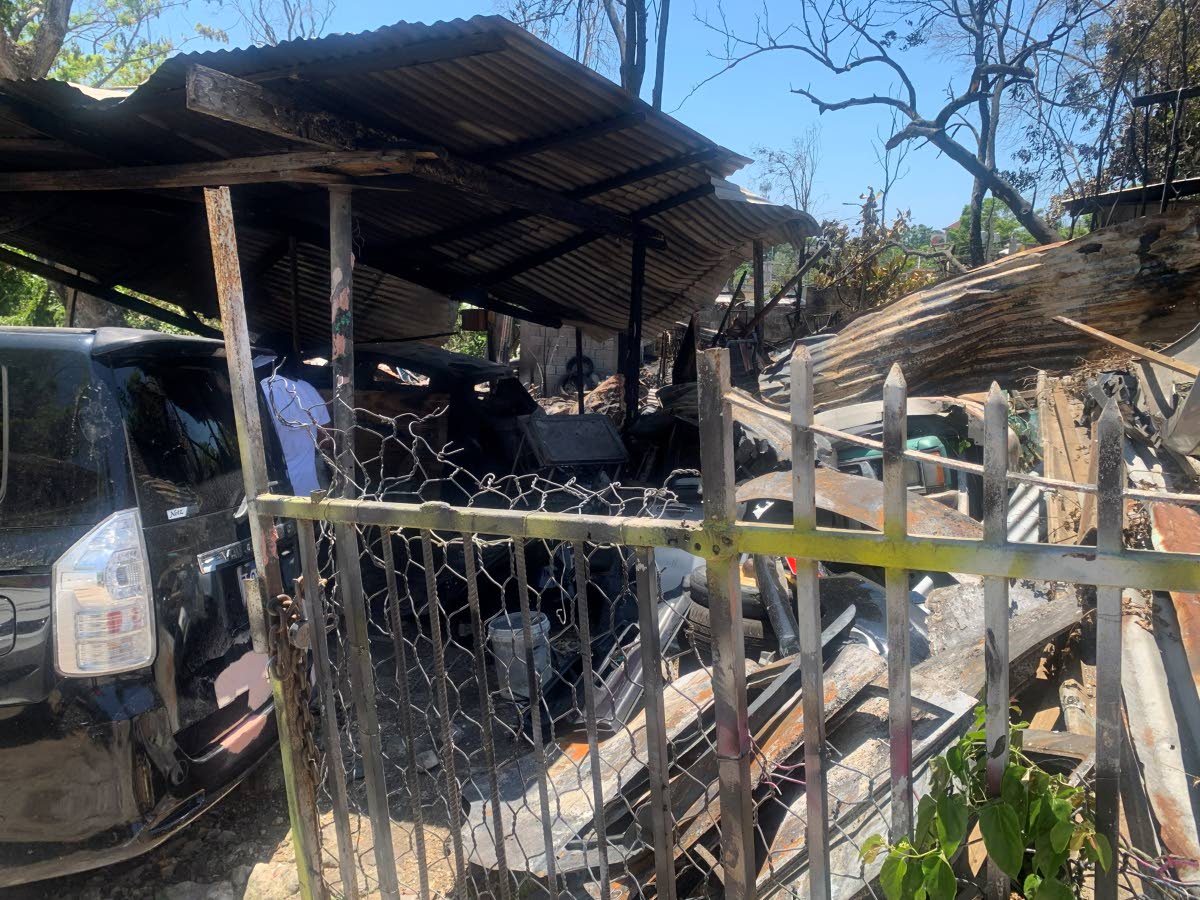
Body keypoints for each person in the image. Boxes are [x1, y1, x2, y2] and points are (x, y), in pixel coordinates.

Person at [257, 358, 332, 497]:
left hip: (274, 491)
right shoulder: (306, 388)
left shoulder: (258, 394)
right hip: (312, 487)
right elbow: (326, 438)